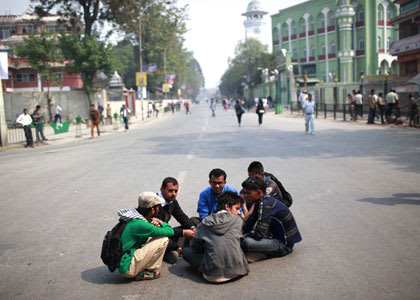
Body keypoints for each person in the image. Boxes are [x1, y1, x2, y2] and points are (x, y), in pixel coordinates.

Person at [182, 191, 249, 283]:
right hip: (238, 271)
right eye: (237, 209)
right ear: (227, 207)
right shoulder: (238, 220)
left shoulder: (204, 222)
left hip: (212, 275)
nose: (239, 213)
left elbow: (196, 247)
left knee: (186, 251)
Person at [241, 176, 302, 263]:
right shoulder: (260, 201)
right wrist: (242, 231)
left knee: (245, 243)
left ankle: (266, 254)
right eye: (245, 193)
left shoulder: (266, 204)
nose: (245, 196)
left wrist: (242, 237)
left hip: (284, 244)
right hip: (274, 236)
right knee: (243, 239)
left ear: (258, 192)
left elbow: (259, 233)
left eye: (248, 193)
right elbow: (251, 222)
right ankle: (262, 251)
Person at [117, 192, 175, 280]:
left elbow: (144, 231)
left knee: (150, 236)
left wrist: (151, 223)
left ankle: (138, 267)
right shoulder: (140, 224)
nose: (159, 209)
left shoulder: (131, 216)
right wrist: (161, 222)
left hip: (121, 261)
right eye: (158, 207)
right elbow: (170, 231)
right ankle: (145, 270)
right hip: (127, 268)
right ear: (152, 210)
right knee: (163, 239)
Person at [155, 177, 197, 264]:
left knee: (192, 223)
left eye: (176, 191)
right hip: (156, 235)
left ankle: (175, 249)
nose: (174, 194)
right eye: (170, 191)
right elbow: (159, 231)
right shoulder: (154, 204)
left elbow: (181, 217)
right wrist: (183, 232)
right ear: (162, 189)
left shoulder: (172, 202)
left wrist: (192, 227)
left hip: (166, 231)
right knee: (166, 239)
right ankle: (176, 249)